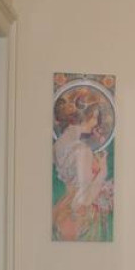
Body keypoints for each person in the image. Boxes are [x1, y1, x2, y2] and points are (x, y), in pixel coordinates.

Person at [52, 92, 113, 241]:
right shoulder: (82, 151)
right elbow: (85, 199)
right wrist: (103, 171)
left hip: (64, 209)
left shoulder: (59, 144)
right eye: (95, 117)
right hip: (79, 215)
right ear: (87, 117)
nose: (96, 123)